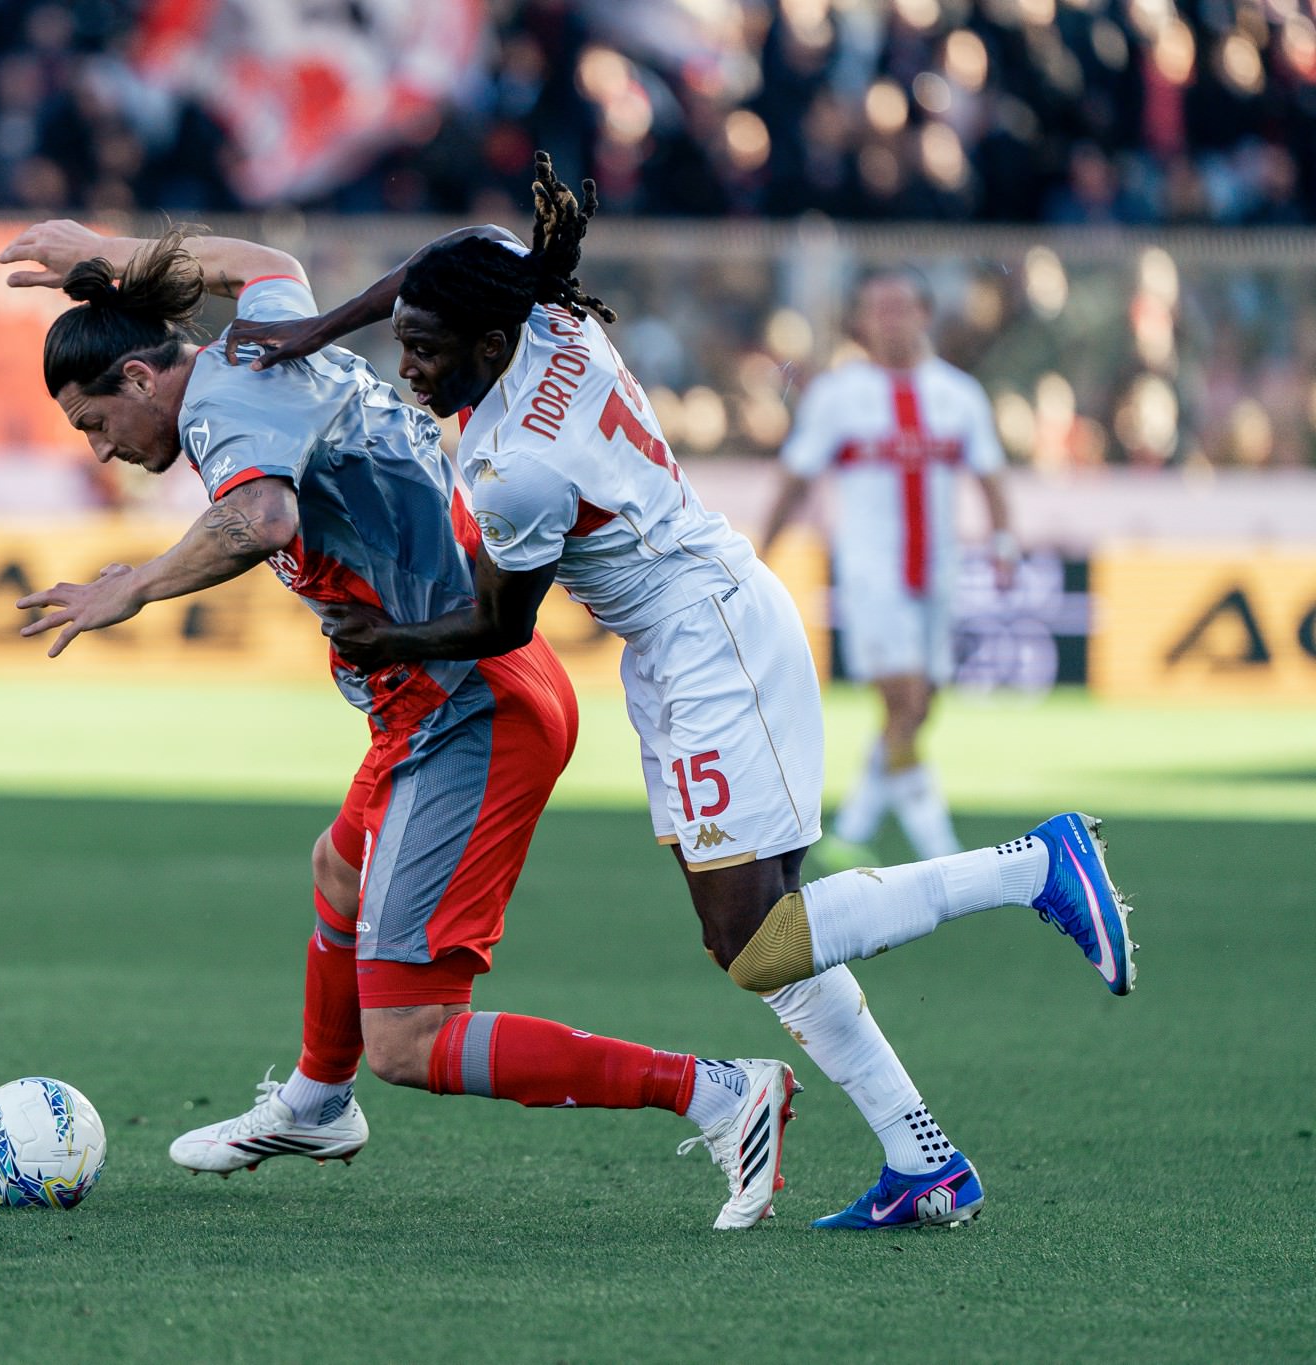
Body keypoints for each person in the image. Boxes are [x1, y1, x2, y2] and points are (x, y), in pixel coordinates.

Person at [224, 153, 1133, 1230]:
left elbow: (500, 622)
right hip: (690, 638)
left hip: (707, 643)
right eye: (403, 345)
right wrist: (321, 329)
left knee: (754, 942)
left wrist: (385, 636)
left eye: (422, 353)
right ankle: (920, 1158)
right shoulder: (546, 316)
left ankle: (1034, 865)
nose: (408, 367)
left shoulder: (512, 462)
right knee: (764, 939)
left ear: (485, 345)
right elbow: (440, 267)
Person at [0, 218, 799, 1230]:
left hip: (465, 713)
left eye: (93, 422)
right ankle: (314, 1106)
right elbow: (268, 267)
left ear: (139, 375)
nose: (102, 448)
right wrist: (110, 251)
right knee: (336, 871)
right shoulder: (253, 336)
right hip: (447, 694)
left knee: (410, 1040)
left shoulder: (221, 413)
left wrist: (135, 585)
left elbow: (262, 521)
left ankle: (720, 1094)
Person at [762, 266, 1016, 866]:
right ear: (861, 320)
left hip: (938, 571)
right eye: (879, 308)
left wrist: (1005, 543)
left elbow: (991, 475)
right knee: (904, 700)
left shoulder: (958, 394)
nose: (892, 319)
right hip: (873, 575)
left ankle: (851, 826)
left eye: (902, 307)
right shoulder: (837, 396)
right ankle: (939, 845)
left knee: (920, 705)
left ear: (926, 315)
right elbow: (795, 480)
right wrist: (762, 555)